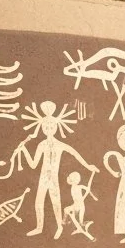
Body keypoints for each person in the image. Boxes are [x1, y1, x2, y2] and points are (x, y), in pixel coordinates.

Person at [15, 101, 95, 239]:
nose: (49, 128)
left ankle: (59, 227)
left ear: (56, 127)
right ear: (42, 127)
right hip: (43, 178)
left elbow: (75, 153)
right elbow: (33, 164)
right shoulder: (41, 145)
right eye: (46, 126)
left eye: (51, 126)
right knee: (38, 203)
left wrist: (88, 165)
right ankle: (39, 227)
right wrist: (24, 151)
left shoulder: (60, 145)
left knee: (56, 203)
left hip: (53, 179)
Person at [64, 170, 98, 241]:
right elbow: (88, 190)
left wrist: (93, 196)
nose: (70, 181)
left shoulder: (79, 186)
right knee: (67, 210)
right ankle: (66, 222)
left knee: (80, 224)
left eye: (71, 180)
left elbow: (88, 189)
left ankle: (89, 236)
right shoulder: (73, 187)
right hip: (76, 206)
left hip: (80, 207)